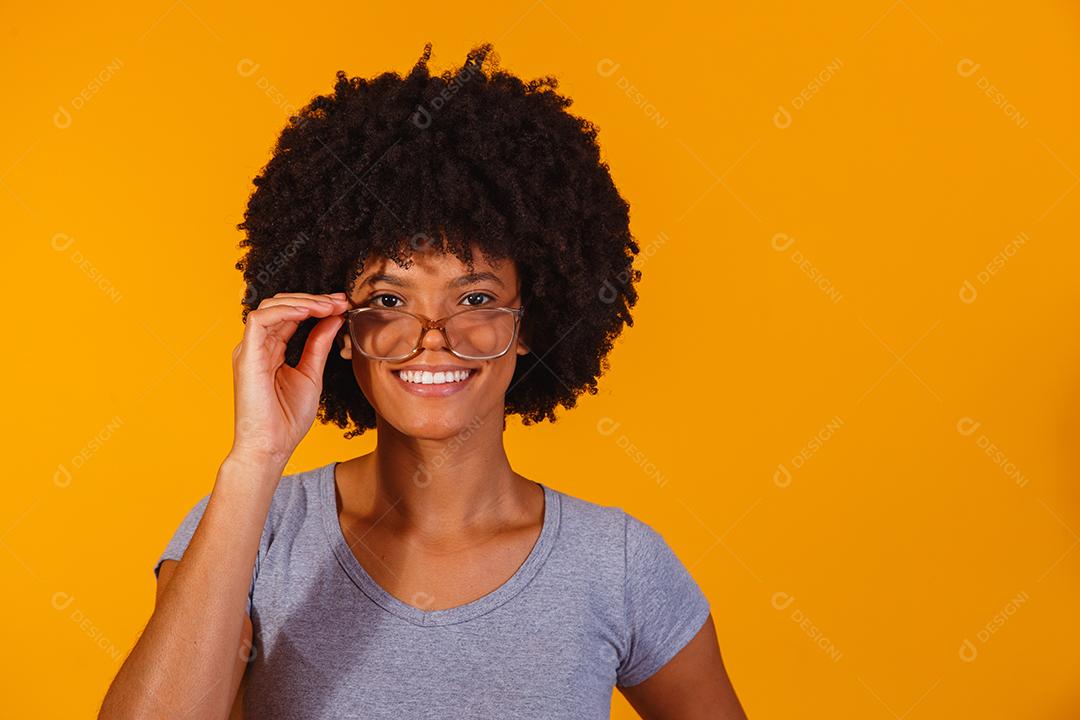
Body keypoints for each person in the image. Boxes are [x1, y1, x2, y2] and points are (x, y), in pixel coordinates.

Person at [100, 42, 748, 719]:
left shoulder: (615, 564)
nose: (433, 337)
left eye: (474, 299)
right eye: (387, 299)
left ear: (530, 323)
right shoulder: (252, 532)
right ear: (340, 327)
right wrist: (253, 458)